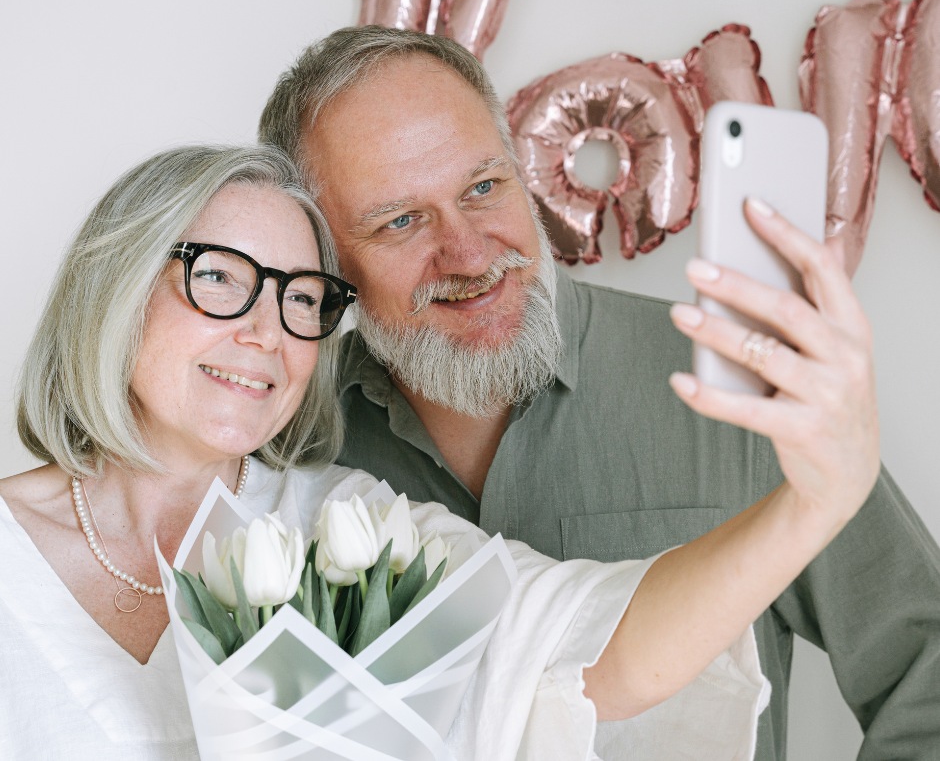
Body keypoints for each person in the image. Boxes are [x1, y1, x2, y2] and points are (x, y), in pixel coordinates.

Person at [0, 142, 882, 760]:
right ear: (114, 286)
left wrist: (815, 506)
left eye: (302, 297)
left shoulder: (359, 536)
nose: (268, 333)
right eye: (221, 279)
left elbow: (590, 652)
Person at [258, 25, 940, 758]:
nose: (469, 252)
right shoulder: (281, 440)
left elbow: (926, 673)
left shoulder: (745, 385)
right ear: (321, 258)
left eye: (484, 187)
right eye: (401, 221)